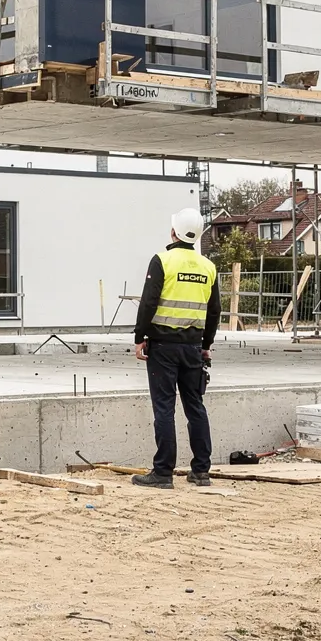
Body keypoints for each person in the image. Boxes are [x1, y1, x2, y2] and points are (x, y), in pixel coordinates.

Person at [130, 207, 222, 489]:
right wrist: (206, 345)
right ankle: (201, 471)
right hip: (193, 348)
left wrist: (139, 336)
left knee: (164, 408)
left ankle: (163, 472)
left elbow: (148, 303)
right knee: (195, 406)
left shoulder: (162, 260)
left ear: (174, 232)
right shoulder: (208, 267)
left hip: (163, 348)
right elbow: (214, 310)